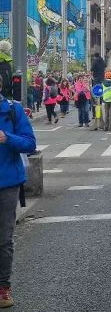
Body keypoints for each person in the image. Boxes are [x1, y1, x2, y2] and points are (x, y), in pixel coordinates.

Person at [0, 90, 36, 308]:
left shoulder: (13, 109)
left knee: (3, 239)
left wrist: (7, 138)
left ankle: (3, 288)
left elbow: (30, 143)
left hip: (7, 183)